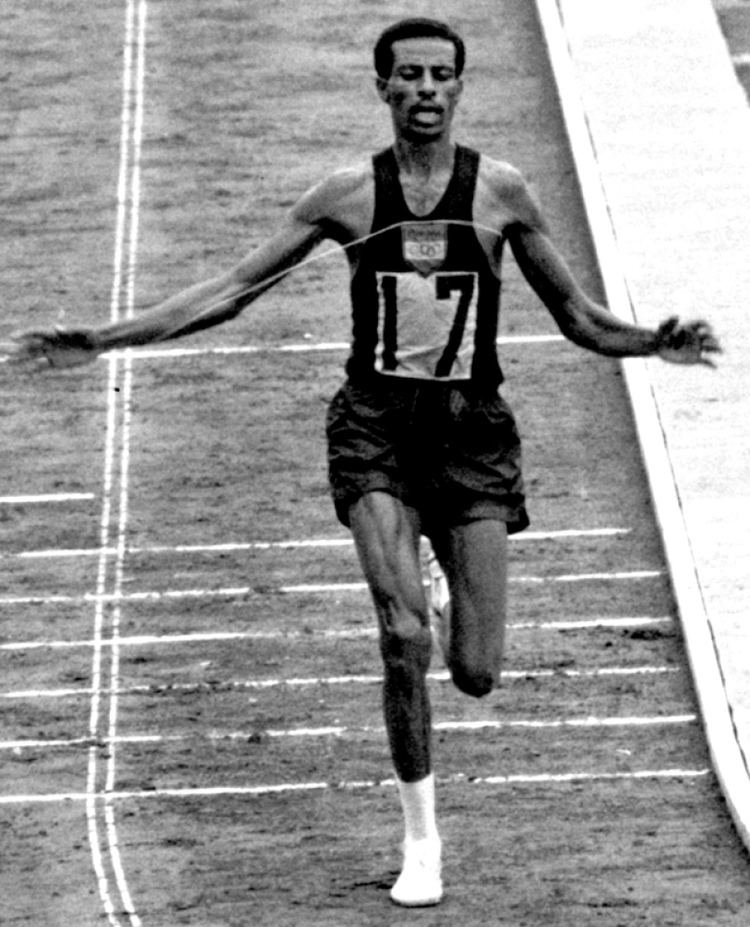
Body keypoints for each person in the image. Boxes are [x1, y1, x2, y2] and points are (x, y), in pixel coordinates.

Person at [3, 17, 721, 908]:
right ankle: (422, 839)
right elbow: (230, 291)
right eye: (408, 76)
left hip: (472, 434)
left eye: (440, 75)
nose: (425, 89)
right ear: (382, 88)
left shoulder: (500, 192)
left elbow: (578, 315)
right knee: (402, 638)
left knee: (476, 672)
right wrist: (105, 340)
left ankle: (442, 563)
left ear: (461, 88)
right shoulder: (347, 196)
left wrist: (656, 341)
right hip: (374, 429)